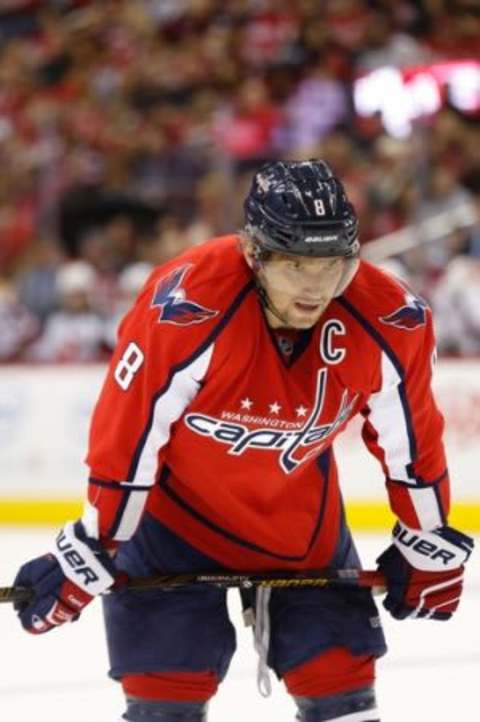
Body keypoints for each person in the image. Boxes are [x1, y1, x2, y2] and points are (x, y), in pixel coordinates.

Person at [13, 160, 474, 722]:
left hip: (299, 523)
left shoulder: (389, 318)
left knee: (341, 684)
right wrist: (95, 546)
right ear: (255, 255)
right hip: (171, 522)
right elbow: (129, 433)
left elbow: (412, 440)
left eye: (333, 265)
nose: (316, 287)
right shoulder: (187, 305)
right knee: (166, 689)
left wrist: (427, 540)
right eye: (298, 265)